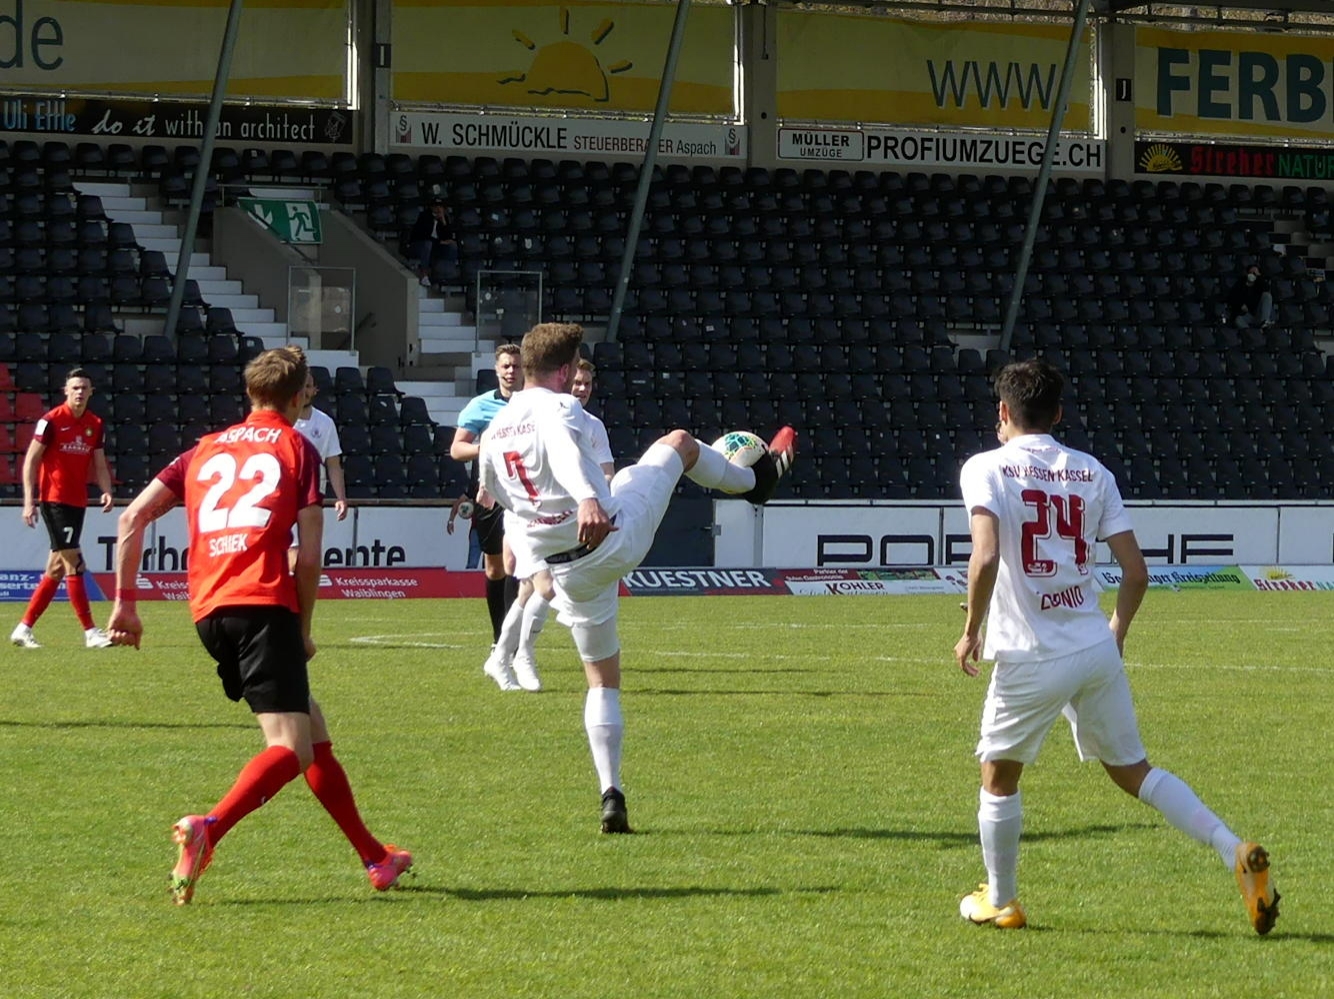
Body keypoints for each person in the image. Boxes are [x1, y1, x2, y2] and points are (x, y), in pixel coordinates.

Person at [952, 359, 1277, 934]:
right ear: (1058, 413)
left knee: (998, 780)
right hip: (1092, 647)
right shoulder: (1092, 471)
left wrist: (972, 627)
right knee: (1135, 772)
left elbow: (986, 555)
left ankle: (1001, 900)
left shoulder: (985, 467)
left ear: (1003, 411)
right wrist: (1116, 633)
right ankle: (1233, 849)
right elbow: (1136, 572)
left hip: (1031, 654)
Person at [104, 346, 412, 905]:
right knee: (290, 748)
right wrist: (303, 628)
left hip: (209, 611)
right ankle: (209, 827)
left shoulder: (202, 449)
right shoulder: (298, 447)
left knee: (311, 732)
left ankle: (376, 857)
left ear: (249, 393)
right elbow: (309, 556)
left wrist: (126, 604)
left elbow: (131, 517)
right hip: (264, 605)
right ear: (299, 398)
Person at [478, 322, 795, 832]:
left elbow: (493, 493)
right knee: (681, 443)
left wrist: (530, 547)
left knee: (602, 682)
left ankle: (612, 792)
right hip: (611, 537)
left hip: (569, 572)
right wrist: (586, 497)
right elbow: (561, 446)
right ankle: (755, 483)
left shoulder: (495, 429)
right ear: (564, 370)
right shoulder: (560, 408)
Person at [486, 357, 614, 693]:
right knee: (545, 586)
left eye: (587, 384)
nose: (581, 389)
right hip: (532, 517)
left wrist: (596, 498)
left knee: (533, 589)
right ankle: (520, 655)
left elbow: (607, 472)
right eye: (576, 382)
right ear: (562, 379)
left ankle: (503, 656)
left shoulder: (593, 425)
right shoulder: (543, 416)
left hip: (569, 517)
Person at [11, 368, 114, 649]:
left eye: (84, 388)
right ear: (65, 391)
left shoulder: (95, 424)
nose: (79, 392)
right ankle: (90, 632)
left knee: (56, 569)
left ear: (91, 392)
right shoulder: (50, 421)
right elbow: (31, 461)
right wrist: (29, 501)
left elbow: (99, 463)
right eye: (75, 387)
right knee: (75, 563)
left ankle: (23, 628)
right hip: (54, 500)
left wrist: (106, 490)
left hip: (77, 502)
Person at [450, 343, 522, 679]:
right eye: (506, 366)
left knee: (516, 563)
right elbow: (457, 449)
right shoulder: (481, 406)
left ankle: (513, 645)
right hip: (490, 494)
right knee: (495, 568)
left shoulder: (533, 403)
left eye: (516, 366)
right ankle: (499, 639)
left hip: (523, 496)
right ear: (496, 369)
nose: (511, 371)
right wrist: (489, 447)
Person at [288, 369, 348, 570]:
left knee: (308, 553)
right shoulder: (284, 420)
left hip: (312, 497)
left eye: (308, 386)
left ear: (315, 390)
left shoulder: (325, 423)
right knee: (292, 550)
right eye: (301, 386)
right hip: (286, 494)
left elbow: (333, 463)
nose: (304, 391)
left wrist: (340, 497)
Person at [408, 201, 458, 287]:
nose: (438, 209)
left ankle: (448, 272)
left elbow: (448, 237)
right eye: (436, 206)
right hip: (419, 245)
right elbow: (423, 236)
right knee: (428, 244)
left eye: (440, 206)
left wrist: (444, 222)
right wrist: (440, 242)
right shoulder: (424, 216)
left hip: (435, 246)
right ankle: (424, 274)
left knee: (452, 246)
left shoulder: (444, 218)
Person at [1224, 262, 1274, 328]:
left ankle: (1264, 322)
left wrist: (1259, 277)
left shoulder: (1259, 284)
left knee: (1267, 295)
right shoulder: (1240, 283)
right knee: (1238, 320)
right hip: (1245, 314)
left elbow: (1267, 288)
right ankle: (1251, 332)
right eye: (1250, 272)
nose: (1252, 275)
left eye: (1254, 273)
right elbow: (1232, 297)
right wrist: (1240, 304)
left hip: (1257, 314)